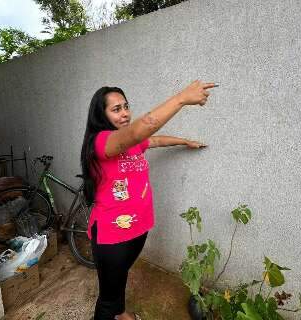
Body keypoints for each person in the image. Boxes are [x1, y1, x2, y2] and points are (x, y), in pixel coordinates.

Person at [80, 80, 216, 320]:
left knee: (120, 278)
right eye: (116, 109)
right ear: (101, 115)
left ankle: (121, 315)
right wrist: (181, 99)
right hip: (112, 237)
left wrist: (185, 142)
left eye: (126, 106)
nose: (124, 113)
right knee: (107, 301)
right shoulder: (102, 141)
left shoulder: (133, 145)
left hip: (137, 229)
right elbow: (139, 130)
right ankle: (114, 313)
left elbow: (155, 140)